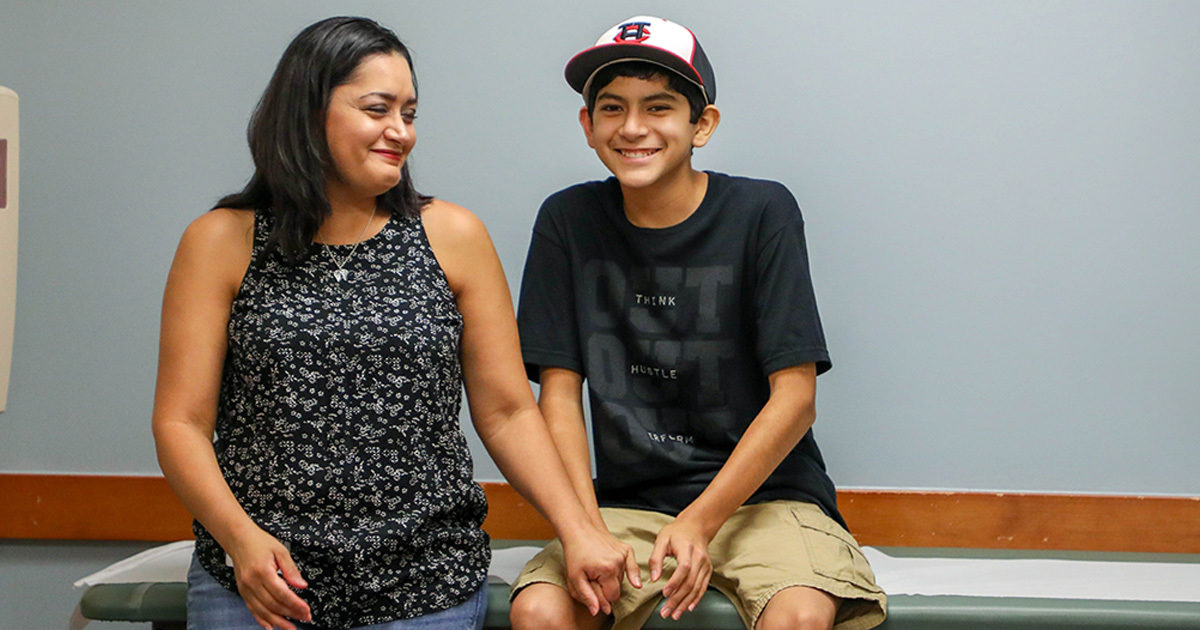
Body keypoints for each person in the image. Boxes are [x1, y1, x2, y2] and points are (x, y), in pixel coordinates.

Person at [151, 16, 638, 630]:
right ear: (307, 111)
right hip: (259, 590)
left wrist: (578, 530)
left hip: (425, 588)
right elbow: (180, 422)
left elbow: (510, 411)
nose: (400, 132)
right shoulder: (221, 241)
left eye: (409, 113)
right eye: (378, 109)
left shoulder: (452, 236)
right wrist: (240, 541)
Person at [508, 15, 888, 630]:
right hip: (626, 506)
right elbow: (558, 394)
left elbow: (796, 399)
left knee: (796, 617)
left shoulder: (763, 211)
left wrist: (700, 523)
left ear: (701, 124)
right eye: (611, 108)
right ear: (588, 125)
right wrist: (580, 528)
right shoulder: (567, 219)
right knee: (539, 611)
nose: (632, 128)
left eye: (658, 107)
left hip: (766, 500)